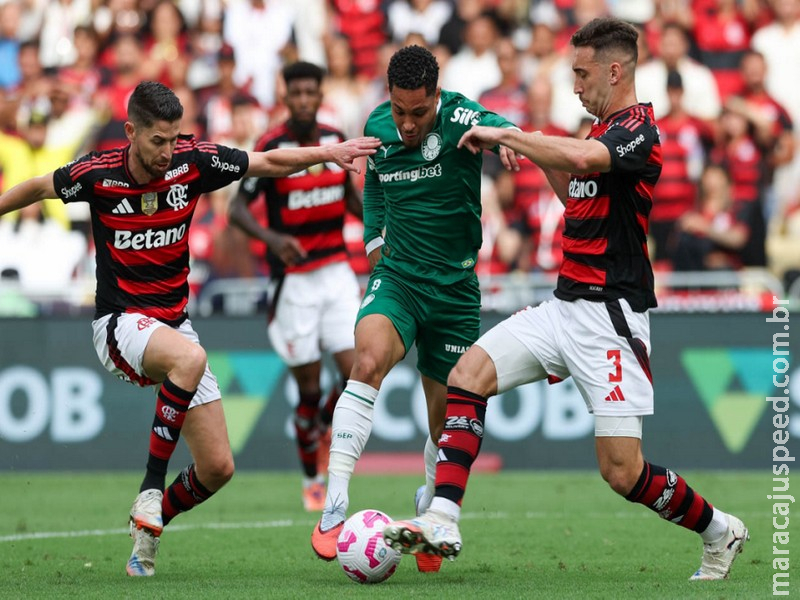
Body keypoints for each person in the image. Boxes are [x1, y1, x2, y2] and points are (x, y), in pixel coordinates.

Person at [384, 18, 749, 582]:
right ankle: (442, 517)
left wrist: (510, 135)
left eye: (582, 73)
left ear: (614, 70)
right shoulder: (596, 133)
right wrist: (533, 154)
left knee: (623, 472)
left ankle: (720, 530)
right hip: (562, 307)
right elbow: (575, 191)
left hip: (611, 319)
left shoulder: (639, 131)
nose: (575, 85)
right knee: (467, 375)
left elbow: (582, 161)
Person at [0, 80, 379, 577]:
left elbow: (266, 162)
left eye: (174, 138)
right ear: (131, 132)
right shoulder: (97, 173)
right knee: (190, 357)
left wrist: (329, 152)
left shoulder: (192, 161)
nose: (167, 151)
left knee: (218, 467)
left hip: (175, 326)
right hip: (119, 323)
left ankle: (149, 525)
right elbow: (36, 187)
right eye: (157, 140)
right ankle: (149, 487)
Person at [309, 44, 519, 573]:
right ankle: (334, 504)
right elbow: (374, 186)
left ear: (437, 97)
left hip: (454, 290)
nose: (406, 124)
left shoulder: (462, 118)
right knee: (367, 360)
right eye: (400, 110)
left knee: (444, 420)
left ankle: (429, 510)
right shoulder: (378, 125)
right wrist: (373, 242)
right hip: (398, 278)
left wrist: (506, 139)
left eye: (419, 112)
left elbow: (506, 128)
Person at [228, 61, 363, 512]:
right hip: (294, 282)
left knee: (358, 371)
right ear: (285, 97)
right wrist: (272, 239)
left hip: (336, 271)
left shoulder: (335, 139)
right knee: (308, 389)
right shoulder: (271, 146)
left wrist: (378, 223)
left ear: (321, 96)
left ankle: (322, 427)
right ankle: (311, 478)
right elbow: (236, 210)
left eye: (311, 92)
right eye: (297, 93)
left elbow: (348, 198)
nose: (304, 100)